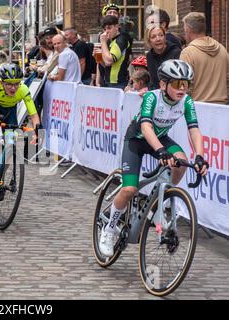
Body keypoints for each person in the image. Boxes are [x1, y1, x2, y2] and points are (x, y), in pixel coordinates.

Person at [98, 60, 209, 257]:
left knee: (181, 161)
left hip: (160, 138)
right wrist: (160, 151)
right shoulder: (151, 97)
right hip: (137, 140)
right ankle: (108, 229)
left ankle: (161, 204)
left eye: (186, 84)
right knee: (130, 189)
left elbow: (194, 130)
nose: (182, 89)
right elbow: (146, 127)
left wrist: (200, 156)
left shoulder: (187, 101)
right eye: (176, 84)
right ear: (163, 85)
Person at [0, 63, 41, 179]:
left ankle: (0, 178)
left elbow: (34, 114)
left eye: (16, 84)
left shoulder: (23, 89)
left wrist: (37, 130)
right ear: (2, 82)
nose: (13, 88)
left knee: (10, 146)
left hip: (10, 111)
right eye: (9, 84)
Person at [180, 12, 229, 104]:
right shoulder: (222, 49)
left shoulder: (188, 52)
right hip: (222, 108)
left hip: (198, 107)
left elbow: (184, 85)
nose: (184, 34)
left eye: (184, 30)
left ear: (188, 29)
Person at [95, 15, 132, 89]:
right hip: (107, 81)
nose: (106, 32)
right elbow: (105, 64)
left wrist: (103, 42)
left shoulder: (121, 39)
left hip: (118, 83)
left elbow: (109, 61)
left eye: (109, 28)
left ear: (117, 26)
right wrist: (98, 56)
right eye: (104, 29)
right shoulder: (110, 41)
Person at [145, 25, 181, 90]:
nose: (158, 39)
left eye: (161, 35)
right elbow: (153, 81)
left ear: (165, 37)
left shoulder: (176, 53)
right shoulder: (149, 56)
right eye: (153, 37)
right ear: (149, 41)